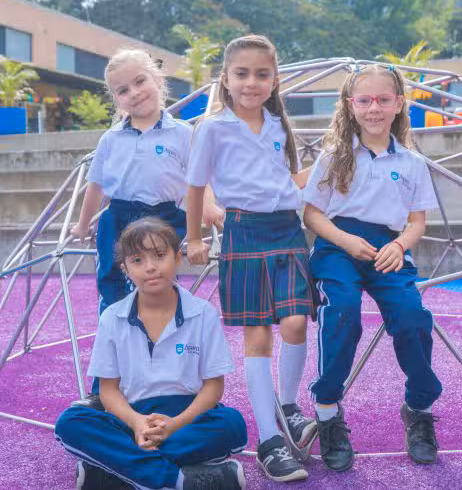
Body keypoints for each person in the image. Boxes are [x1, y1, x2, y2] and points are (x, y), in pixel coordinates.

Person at [186, 35, 316, 483]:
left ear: (274, 80)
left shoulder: (278, 124)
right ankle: (269, 440)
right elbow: (195, 187)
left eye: (262, 74)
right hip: (243, 231)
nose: (251, 82)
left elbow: (286, 179)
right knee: (257, 335)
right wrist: (195, 237)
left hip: (287, 229)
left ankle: (288, 406)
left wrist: (333, 165)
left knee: (296, 322)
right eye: (241, 74)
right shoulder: (212, 128)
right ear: (225, 78)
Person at [303, 64, 442, 471]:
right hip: (338, 247)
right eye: (364, 100)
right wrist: (345, 240)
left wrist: (399, 245)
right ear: (351, 105)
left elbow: (416, 222)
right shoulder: (334, 156)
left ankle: (418, 408)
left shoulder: (412, 162)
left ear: (399, 104)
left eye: (383, 100)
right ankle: (328, 412)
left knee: (412, 318)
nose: (374, 108)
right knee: (342, 311)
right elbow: (312, 214)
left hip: (389, 249)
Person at [70, 48, 222, 401]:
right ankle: (105, 388)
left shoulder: (183, 133)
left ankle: (165, 382)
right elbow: (96, 186)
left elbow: (198, 180)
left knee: (157, 296)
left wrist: (209, 207)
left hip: (164, 219)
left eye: (140, 81)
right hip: (119, 219)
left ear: (158, 80)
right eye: (123, 90)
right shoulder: (111, 138)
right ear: (116, 99)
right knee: (113, 300)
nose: (134, 93)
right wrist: (81, 224)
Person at [55, 218, 247, 490]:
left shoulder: (203, 314)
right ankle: (177, 481)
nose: (150, 267)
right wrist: (137, 424)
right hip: (132, 418)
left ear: (177, 257)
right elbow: (108, 390)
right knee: (70, 422)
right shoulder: (112, 317)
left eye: (159, 255)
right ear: (125, 269)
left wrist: (174, 425)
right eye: (137, 260)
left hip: (187, 418)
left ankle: (115, 472)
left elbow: (214, 386)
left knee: (232, 425)